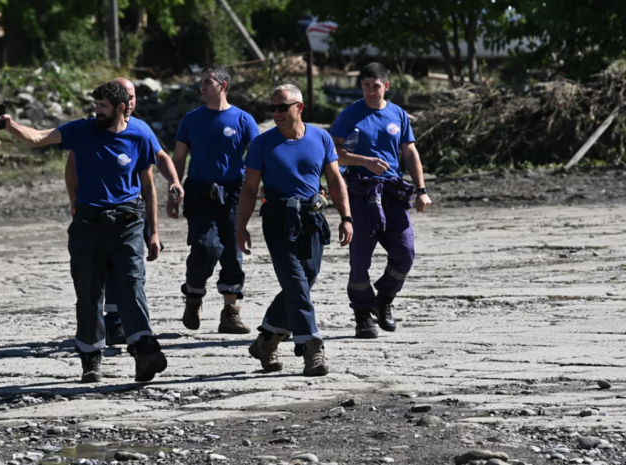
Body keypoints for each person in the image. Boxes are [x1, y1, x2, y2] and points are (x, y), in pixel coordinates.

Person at [0, 81, 168, 383]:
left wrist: (154, 232)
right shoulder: (82, 129)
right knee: (88, 293)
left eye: (103, 106)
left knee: (131, 286)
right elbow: (38, 138)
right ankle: (91, 358)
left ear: (121, 108)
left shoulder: (140, 133)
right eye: (95, 105)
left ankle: (145, 351)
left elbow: (148, 185)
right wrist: (9, 124)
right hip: (88, 225)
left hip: (128, 223)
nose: (97, 111)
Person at [237, 84, 353, 377]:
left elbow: (336, 180)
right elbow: (249, 189)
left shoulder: (321, 137)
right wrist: (241, 228)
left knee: (305, 280)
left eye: (282, 107)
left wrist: (346, 217)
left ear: (299, 108)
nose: (276, 113)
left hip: (313, 218)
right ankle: (311, 347)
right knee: (296, 282)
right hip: (278, 221)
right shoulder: (262, 144)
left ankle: (267, 340)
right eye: (272, 108)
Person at [65, 78, 185, 346]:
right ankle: (110, 326)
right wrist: (74, 200)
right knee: (100, 276)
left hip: (131, 214)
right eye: (126, 97)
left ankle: (127, 330)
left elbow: (159, 161)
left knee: (129, 273)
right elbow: (71, 166)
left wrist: (174, 181)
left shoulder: (140, 130)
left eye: (133, 97)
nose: (130, 102)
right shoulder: (91, 129)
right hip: (94, 215)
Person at [329, 62, 432, 339]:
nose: (371, 91)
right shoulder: (350, 115)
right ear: (361, 85)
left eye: (376, 86)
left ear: (386, 86)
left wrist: (421, 189)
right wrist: (364, 161)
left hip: (392, 192)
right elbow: (333, 152)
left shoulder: (398, 114)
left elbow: (410, 152)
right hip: (361, 192)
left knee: (405, 251)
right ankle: (362, 314)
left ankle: (383, 298)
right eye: (366, 86)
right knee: (360, 258)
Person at [171, 65, 259, 334]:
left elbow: (256, 158)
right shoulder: (191, 120)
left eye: (208, 82)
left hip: (233, 193)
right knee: (205, 247)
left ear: (223, 86)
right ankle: (194, 297)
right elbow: (178, 159)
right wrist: (172, 192)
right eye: (201, 83)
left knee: (233, 253)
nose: (202, 87)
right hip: (199, 192)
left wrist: (261, 189)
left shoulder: (243, 119)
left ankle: (231, 313)